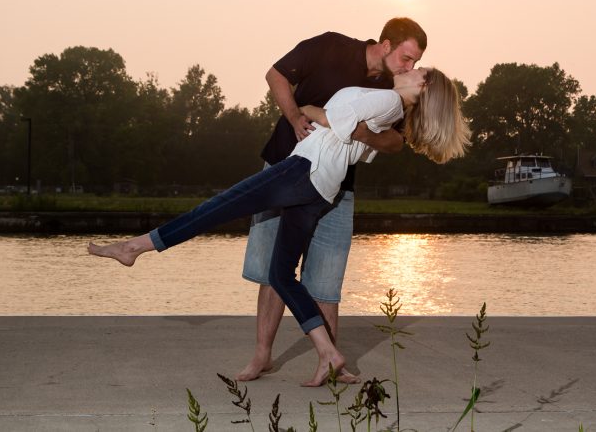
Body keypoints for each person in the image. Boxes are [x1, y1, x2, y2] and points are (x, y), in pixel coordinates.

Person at [88, 66, 470, 387]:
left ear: (422, 86)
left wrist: (307, 108)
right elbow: (362, 148)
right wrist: (326, 118)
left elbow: (333, 121)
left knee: (217, 208)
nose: (411, 68)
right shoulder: (389, 113)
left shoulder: (386, 100)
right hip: (323, 189)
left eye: (420, 70)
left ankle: (134, 247)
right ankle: (328, 353)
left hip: (302, 172)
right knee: (281, 274)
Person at [240, 19, 426, 382]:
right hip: (283, 166)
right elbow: (275, 75)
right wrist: (294, 116)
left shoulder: (394, 92)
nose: (410, 68)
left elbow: (395, 143)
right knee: (273, 270)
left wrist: (354, 130)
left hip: (338, 187)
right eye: (406, 58)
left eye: (415, 63)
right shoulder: (330, 46)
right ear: (386, 44)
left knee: (326, 277)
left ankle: (329, 362)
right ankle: (262, 356)